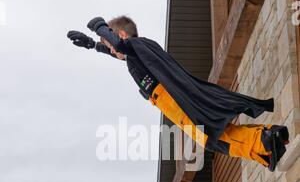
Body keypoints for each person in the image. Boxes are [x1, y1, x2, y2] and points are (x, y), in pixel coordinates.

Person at [67, 15, 290, 171]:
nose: (111, 48)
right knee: (214, 137)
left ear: (122, 35)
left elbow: (121, 47)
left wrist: (100, 27)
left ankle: (266, 140)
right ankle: (269, 143)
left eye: (110, 42)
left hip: (173, 99)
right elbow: (118, 51)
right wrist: (92, 45)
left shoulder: (137, 44)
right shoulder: (135, 52)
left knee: (212, 137)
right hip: (168, 103)